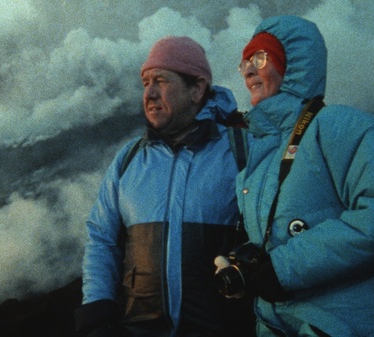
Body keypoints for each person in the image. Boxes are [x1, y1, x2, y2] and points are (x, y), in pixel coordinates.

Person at [215, 15, 374, 336]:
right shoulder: (260, 159)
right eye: (244, 63)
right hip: (274, 325)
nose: (248, 70)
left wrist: (285, 268)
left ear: (293, 66)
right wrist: (250, 268)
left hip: (338, 325)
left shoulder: (337, 126)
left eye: (260, 58)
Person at [75, 36, 255, 337]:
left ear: (196, 90)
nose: (150, 93)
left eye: (161, 81)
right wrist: (97, 313)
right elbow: (101, 239)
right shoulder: (129, 158)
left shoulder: (240, 152)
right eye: (145, 82)